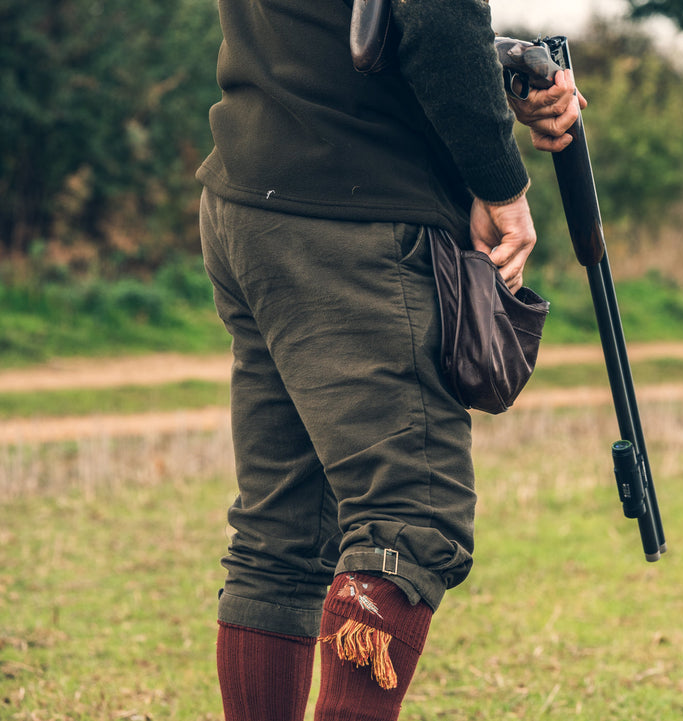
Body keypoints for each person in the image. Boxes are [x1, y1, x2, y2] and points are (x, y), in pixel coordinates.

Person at [196, 1, 583, 719]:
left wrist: (497, 63)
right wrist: (502, 183)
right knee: (407, 520)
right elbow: (433, 12)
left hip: (251, 194)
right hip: (355, 208)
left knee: (282, 538)